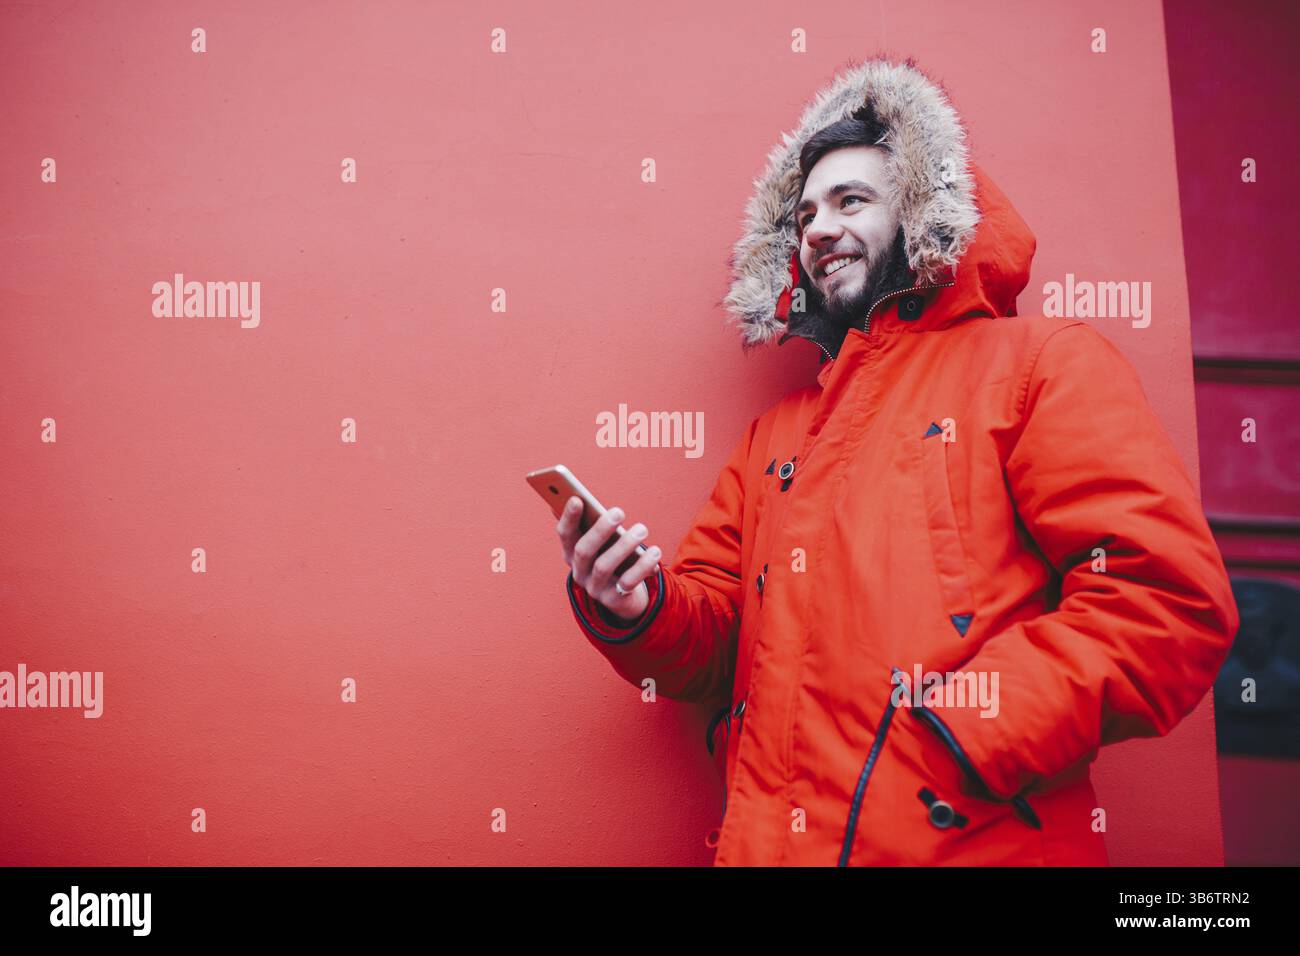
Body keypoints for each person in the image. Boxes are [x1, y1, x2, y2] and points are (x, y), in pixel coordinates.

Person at [552, 56, 1239, 866]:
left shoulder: (1041, 365)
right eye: (805, 213)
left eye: (851, 201)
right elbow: (712, 643)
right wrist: (637, 609)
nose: (817, 228)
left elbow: (1164, 599)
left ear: (920, 210)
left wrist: (958, 730)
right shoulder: (774, 436)